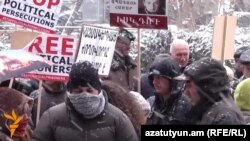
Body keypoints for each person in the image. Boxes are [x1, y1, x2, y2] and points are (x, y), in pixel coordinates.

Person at [32, 61, 138, 141]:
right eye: (78, 91)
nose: (84, 95)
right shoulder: (52, 117)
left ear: (98, 91)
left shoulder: (118, 119)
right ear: (70, 92)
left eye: (89, 90)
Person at [175, 57, 245, 124]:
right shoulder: (206, 108)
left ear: (205, 87)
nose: (185, 92)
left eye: (189, 86)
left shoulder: (225, 117)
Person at [146, 57, 191, 125]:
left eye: (158, 78)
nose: (154, 82)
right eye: (153, 78)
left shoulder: (187, 106)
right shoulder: (150, 103)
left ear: (172, 80)